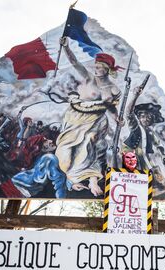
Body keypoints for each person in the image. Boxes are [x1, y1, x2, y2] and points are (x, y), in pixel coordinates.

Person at [55, 37, 121, 197]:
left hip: (96, 120)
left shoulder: (113, 89)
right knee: (65, 147)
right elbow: (75, 62)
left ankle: (85, 177)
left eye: (100, 67)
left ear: (107, 69)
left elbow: (111, 109)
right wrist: (66, 47)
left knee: (88, 144)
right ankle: (68, 175)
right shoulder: (89, 78)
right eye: (96, 66)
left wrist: (117, 118)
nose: (97, 69)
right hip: (76, 117)